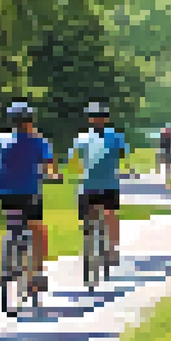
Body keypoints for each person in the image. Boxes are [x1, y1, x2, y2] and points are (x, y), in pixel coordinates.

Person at [0, 101, 59, 293]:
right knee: (37, 228)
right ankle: (37, 273)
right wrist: (53, 176)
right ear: (31, 121)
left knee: (13, 222)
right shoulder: (39, 141)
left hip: (3, 192)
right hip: (29, 191)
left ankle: (8, 260)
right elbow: (50, 167)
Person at [69, 101, 130, 267]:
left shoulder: (115, 136)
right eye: (96, 117)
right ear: (90, 119)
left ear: (106, 118)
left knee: (110, 214)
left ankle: (112, 248)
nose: (98, 120)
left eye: (101, 117)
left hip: (108, 184)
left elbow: (122, 154)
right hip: (90, 184)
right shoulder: (83, 138)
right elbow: (74, 159)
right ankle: (91, 246)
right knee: (92, 217)